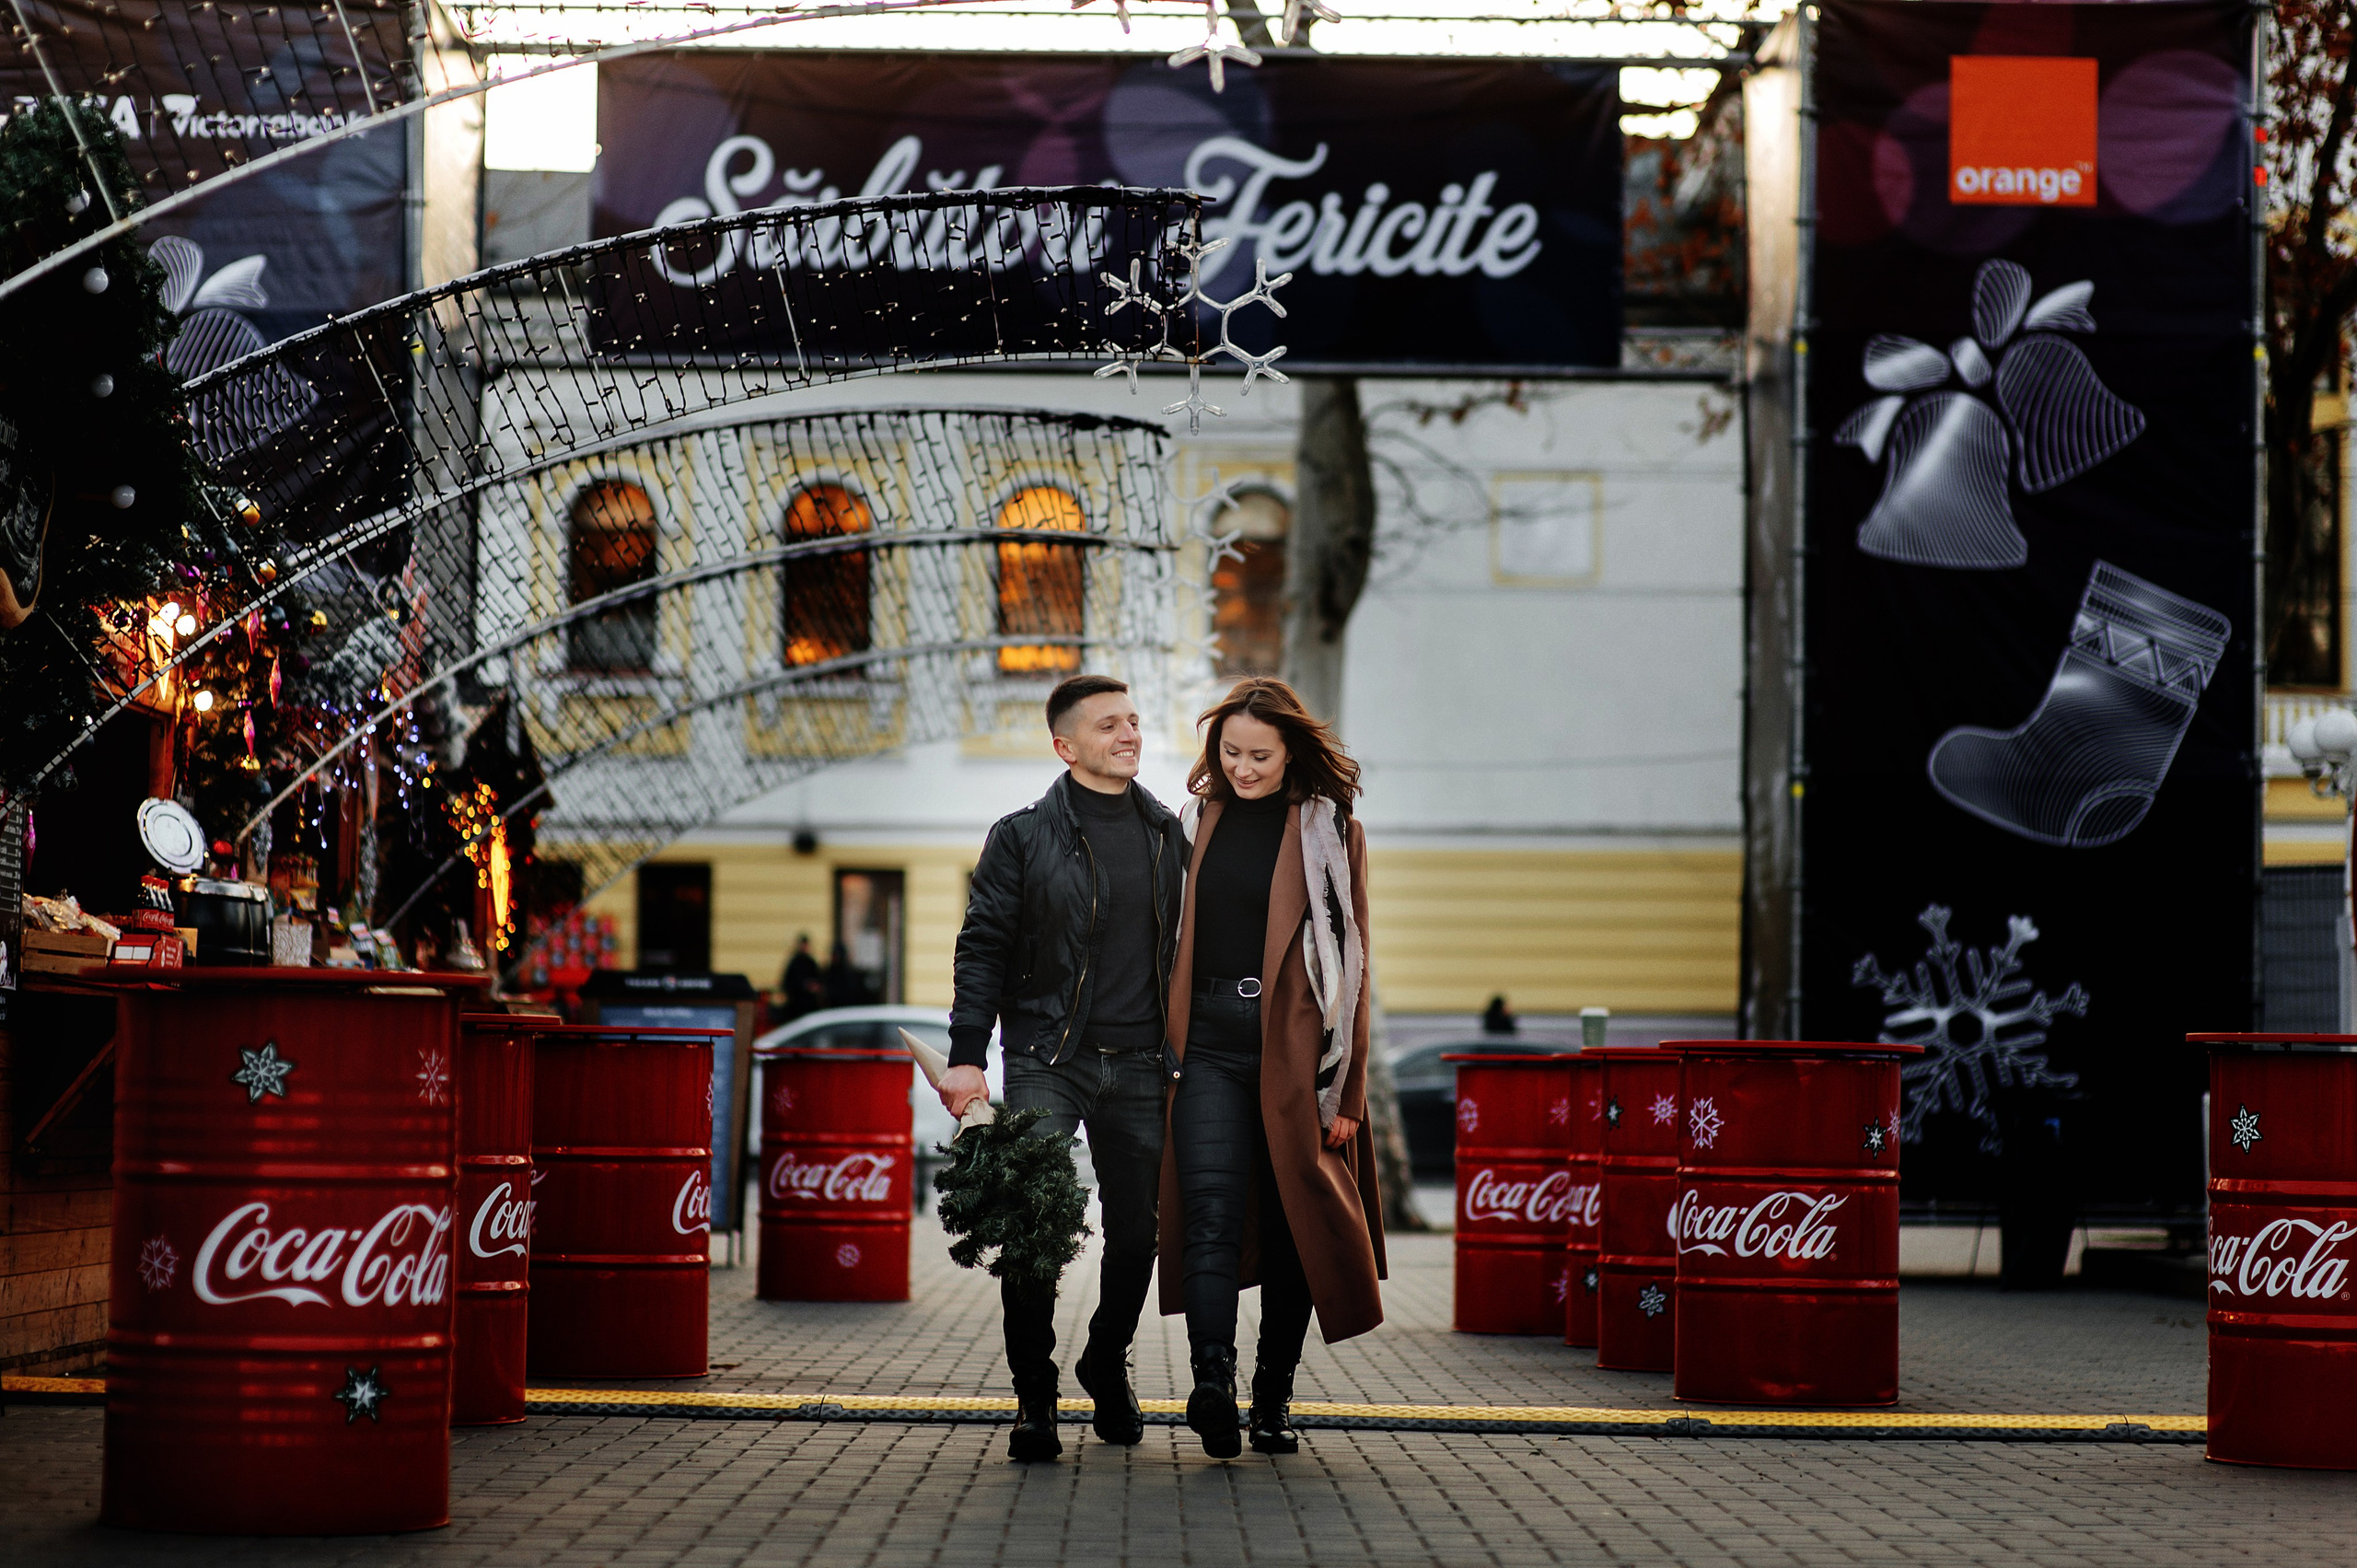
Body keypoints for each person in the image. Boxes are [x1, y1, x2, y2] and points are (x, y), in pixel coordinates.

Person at [939, 673, 1187, 1462]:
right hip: (1050, 1053)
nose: (1130, 734)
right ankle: (1035, 1396)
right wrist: (966, 1056)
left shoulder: (1167, 833)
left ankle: (1105, 1358)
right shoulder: (1020, 836)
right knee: (1033, 1226)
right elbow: (982, 948)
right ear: (1065, 745)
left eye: (1135, 721)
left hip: (1145, 1060)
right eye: (1110, 724)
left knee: (1139, 1232)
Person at [1160, 677, 1386, 1459]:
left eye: (1260, 753)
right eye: (1231, 752)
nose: (1244, 767)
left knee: (1297, 1228)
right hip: (1210, 1045)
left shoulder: (1331, 829)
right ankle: (1212, 1385)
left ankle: (1273, 1398)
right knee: (1212, 1216)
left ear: (1292, 753)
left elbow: (1356, 967)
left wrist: (1347, 1088)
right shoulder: (1194, 820)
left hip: (1297, 1052)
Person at [780, 934, 824, 1019]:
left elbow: (819, 982)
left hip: (810, 1006)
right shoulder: (794, 963)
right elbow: (787, 983)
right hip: (796, 1006)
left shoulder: (811, 963)